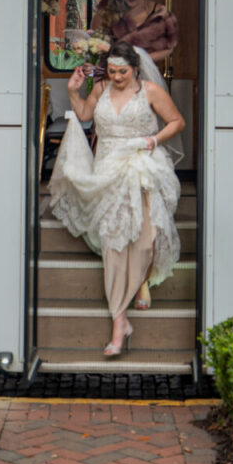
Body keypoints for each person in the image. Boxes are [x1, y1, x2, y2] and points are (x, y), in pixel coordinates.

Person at [48, 39, 185, 357]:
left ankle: (141, 279)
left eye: (122, 71)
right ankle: (119, 322)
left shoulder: (150, 91)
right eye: (111, 70)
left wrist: (151, 140)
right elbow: (84, 115)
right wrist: (73, 90)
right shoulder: (102, 89)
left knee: (143, 236)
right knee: (113, 241)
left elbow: (178, 122)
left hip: (141, 165)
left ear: (135, 69)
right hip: (108, 166)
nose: (116, 76)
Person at [90, 0, 178, 68]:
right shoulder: (107, 10)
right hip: (113, 71)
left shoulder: (160, 14)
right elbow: (94, 42)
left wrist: (139, 61)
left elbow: (169, 48)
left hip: (145, 71)